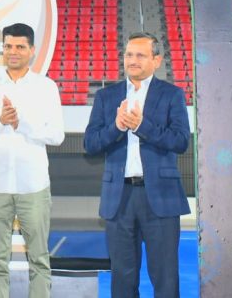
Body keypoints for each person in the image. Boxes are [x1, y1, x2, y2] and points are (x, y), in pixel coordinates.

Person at [83, 32, 190, 298]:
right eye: (129, 54)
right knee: (122, 277)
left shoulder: (172, 95)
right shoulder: (107, 96)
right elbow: (90, 143)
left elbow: (180, 141)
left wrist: (142, 126)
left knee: (165, 276)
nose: (133, 60)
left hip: (161, 197)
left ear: (157, 60)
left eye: (140, 55)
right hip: (119, 198)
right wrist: (117, 127)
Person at [0, 23, 64, 298]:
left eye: (20, 47)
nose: (13, 51)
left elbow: (56, 135)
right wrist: (0, 122)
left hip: (33, 186)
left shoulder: (46, 87)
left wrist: (22, 123)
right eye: (8, 46)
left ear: (32, 50)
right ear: (2, 49)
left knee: (39, 260)